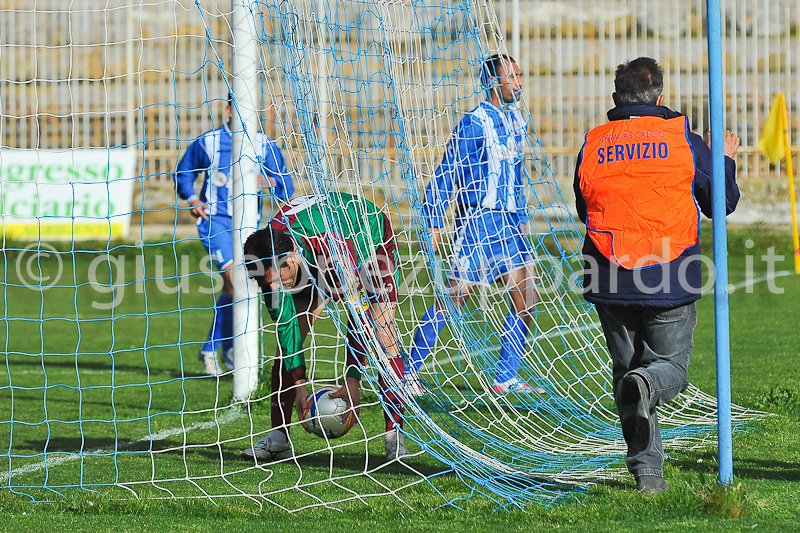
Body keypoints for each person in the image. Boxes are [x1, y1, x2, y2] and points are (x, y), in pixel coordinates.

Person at [573, 57, 741, 494]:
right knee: (667, 371)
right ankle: (645, 387)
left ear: (616, 99)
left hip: (609, 277)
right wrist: (723, 158)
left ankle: (649, 476)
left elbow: (584, 207)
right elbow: (721, 201)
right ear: (661, 98)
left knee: (626, 372)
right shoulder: (680, 137)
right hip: (669, 276)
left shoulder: (593, 141)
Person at [239, 192, 409, 462]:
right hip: (316, 249)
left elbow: (358, 317)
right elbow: (287, 331)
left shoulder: (335, 254)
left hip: (369, 239)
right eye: (265, 283)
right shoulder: (267, 259)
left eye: (274, 280)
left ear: (291, 260)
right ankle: (278, 438)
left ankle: (394, 437)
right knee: (286, 347)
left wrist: (352, 382)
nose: (271, 289)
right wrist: (300, 386)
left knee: (384, 333)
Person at [409, 53, 541, 396]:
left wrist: (522, 220)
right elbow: (447, 171)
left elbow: (517, 177)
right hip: (478, 222)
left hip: (510, 224)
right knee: (454, 298)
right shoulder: (474, 123)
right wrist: (435, 221)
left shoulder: (516, 121)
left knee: (527, 300)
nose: (520, 83)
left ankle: (505, 378)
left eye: (520, 74)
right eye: (512, 76)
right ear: (494, 82)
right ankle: (408, 372)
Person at [174, 95, 294, 376]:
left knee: (240, 288)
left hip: (250, 227)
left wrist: (270, 181)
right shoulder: (209, 142)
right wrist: (192, 198)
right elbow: (184, 171)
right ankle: (221, 349)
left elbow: (285, 184)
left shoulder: (264, 144)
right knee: (235, 281)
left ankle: (218, 348)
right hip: (215, 222)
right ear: (228, 110)